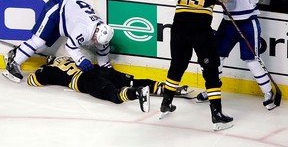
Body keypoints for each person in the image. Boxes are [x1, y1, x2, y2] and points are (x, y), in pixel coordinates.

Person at [159, 0, 233, 131]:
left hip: (178, 24)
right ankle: (217, 114)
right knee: (211, 68)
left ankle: (166, 103)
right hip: (199, 27)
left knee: (177, 64)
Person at [197, 0, 276, 111]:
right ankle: (212, 90)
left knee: (252, 60)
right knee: (217, 56)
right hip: (228, 22)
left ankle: (268, 92)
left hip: (247, 22)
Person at [2, 0, 114, 83]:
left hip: (65, 19)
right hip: (57, 9)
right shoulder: (85, 29)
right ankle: (13, 64)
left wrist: (105, 68)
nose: (94, 41)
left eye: (97, 41)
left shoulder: (102, 36)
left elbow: (102, 53)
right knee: (38, 41)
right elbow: (70, 46)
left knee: (42, 48)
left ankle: (16, 53)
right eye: (95, 38)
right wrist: (81, 60)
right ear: (97, 30)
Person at [27, 56, 192, 112]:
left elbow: (32, 80)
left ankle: (137, 93)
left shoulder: (50, 70)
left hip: (86, 81)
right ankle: (165, 87)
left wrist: (42, 68)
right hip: (102, 70)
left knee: (112, 94)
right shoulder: (69, 58)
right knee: (131, 79)